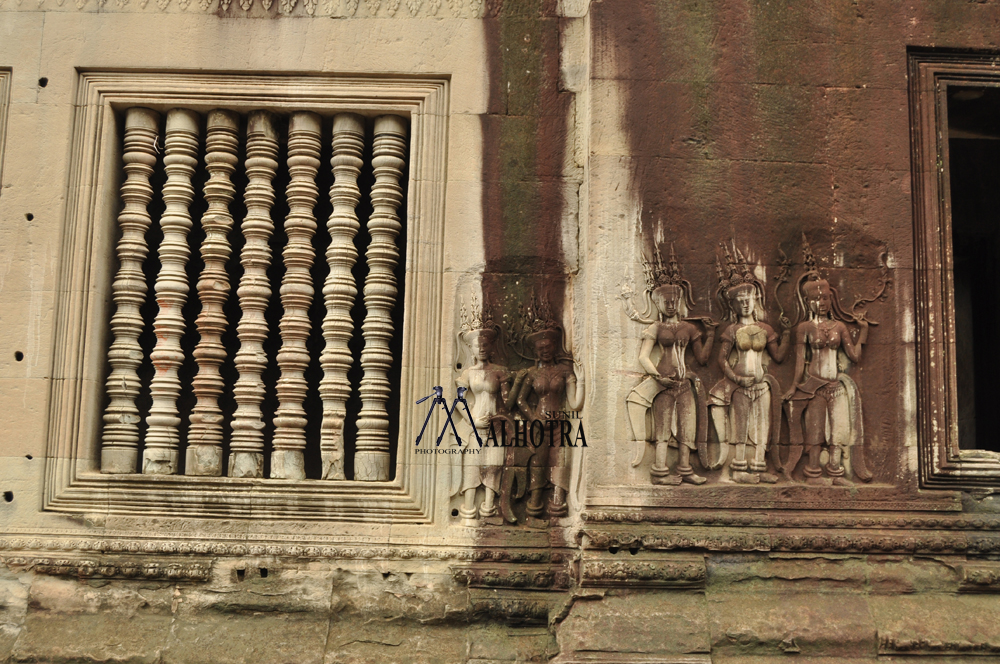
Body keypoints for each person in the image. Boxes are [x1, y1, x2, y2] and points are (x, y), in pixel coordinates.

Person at [623, 246, 715, 485]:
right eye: (666, 301)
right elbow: (644, 357)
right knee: (662, 429)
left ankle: (685, 468)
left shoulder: (689, 328)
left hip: (684, 383)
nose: (671, 304)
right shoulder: (656, 328)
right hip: (662, 383)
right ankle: (660, 472)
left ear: (680, 300)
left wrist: (712, 334)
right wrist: (656, 378)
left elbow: (703, 358)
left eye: (674, 300)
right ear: (657, 302)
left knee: (687, 428)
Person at [783, 239, 871, 485]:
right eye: (816, 300)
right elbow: (800, 362)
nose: (821, 304)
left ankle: (835, 472)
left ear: (831, 300)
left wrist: (862, 331)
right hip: (814, 386)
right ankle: (812, 473)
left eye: (825, 300)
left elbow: (854, 356)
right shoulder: (804, 328)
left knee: (838, 431)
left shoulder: (840, 326)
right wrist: (793, 387)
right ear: (808, 302)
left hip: (837, 387)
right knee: (815, 432)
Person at [708, 244, 790, 484]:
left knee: (762, 425)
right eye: (740, 300)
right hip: (740, 384)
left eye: (749, 298)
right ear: (733, 304)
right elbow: (721, 359)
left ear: (756, 299)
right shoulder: (732, 330)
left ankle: (759, 466)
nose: (745, 304)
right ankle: (739, 468)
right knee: (741, 426)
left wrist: (786, 334)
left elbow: (779, 357)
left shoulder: (765, 329)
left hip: (762, 384)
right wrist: (736, 378)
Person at [454, 303, 522, 520]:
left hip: (497, 424)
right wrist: (473, 422)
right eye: (477, 345)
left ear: (491, 347)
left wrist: (515, 383)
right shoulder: (468, 373)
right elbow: (458, 401)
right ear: (471, 349)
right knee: (472, 467)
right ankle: (468, 510)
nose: (481, 349)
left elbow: (507, 402)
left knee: (493, 466)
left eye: (485, 345)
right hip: (475, 423)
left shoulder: (499, 372)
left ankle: (489, 509)